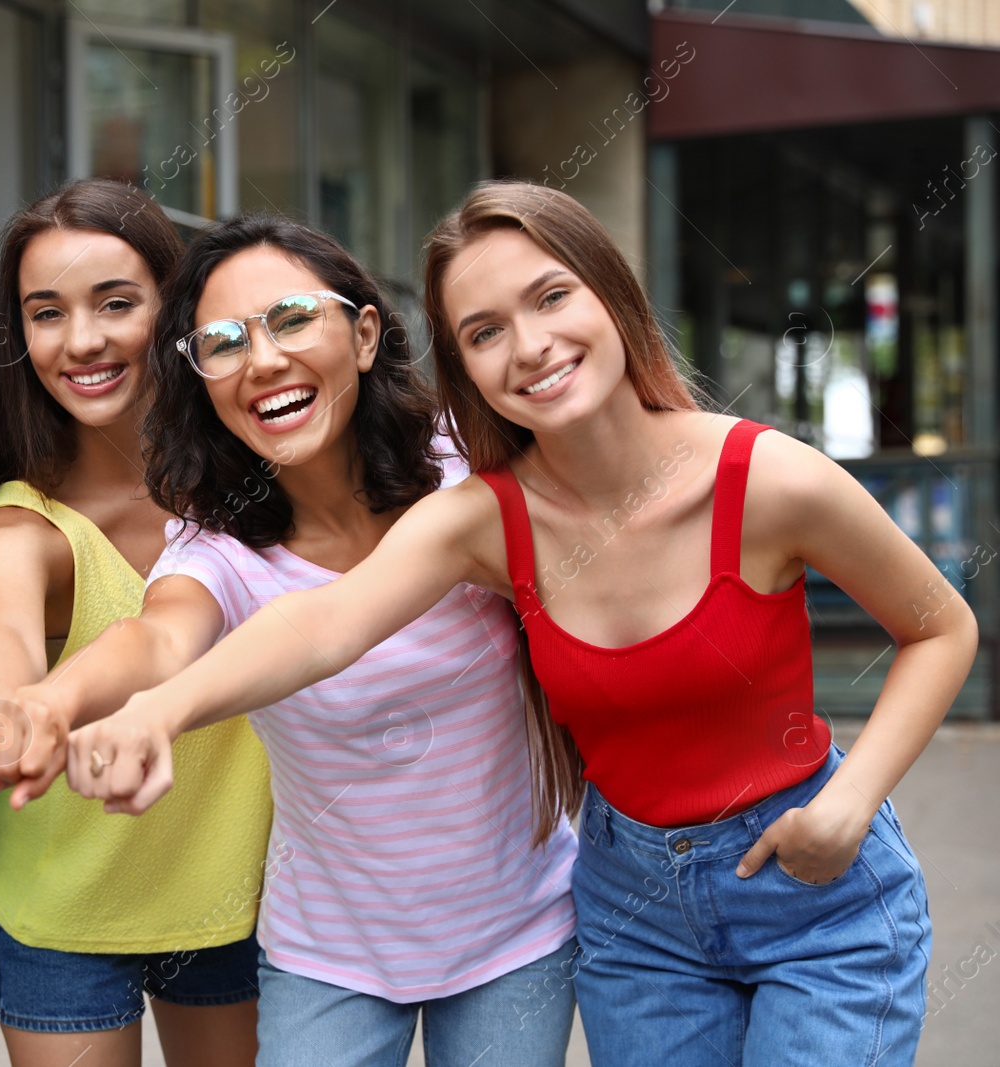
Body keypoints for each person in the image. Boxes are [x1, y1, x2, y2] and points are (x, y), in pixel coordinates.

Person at [68, 183, 975, 1067]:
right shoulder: (484, 518)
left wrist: (851, 803)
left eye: (550, 297)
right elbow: (322, 625)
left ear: (612, 294)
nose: (531, 346)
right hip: (636, 908)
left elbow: (940, 628)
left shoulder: (771, 478)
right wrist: (162, 708)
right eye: (484, 333)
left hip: (812, 891)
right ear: (465, 370)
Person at [9, 214, 578, 1067]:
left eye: (290, 319)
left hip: (518, 928)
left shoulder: (469, 469)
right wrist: (52, 703)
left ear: (363, 332)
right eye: (225, 341)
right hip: (328, 953)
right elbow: (159, 639)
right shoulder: (219, 545)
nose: (263, 359)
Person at [0, 179, 271, 1067]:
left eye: (116, 303)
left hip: (233, 898)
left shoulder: (255, 485)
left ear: (174, 308)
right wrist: (0, 714)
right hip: (59, 912)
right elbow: (5, 635)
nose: (82, 340)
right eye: (46, 313)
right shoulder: (25, 522)